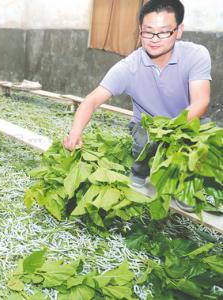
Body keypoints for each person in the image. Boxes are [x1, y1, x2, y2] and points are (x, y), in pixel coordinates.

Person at [63, 0, 211, 212]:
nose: (154, 40)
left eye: (164, 32)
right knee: (145, 140)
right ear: (140, 31)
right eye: (148, 32)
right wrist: (75, 133)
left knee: (207, 138)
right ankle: (139, 172)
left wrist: (172, 129)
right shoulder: (129, 66)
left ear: (179, 31)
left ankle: (185, 185)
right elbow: (92, 100)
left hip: (185, 121)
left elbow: (201, 101)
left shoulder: (196, 55)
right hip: (147, 126)